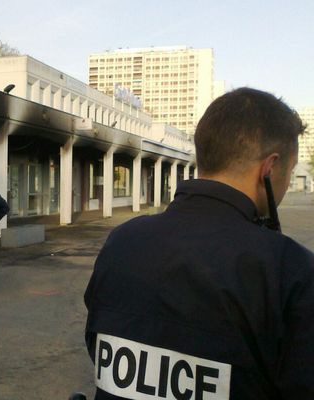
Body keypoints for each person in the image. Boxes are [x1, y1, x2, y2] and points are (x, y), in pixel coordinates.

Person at [84, 87, 314, 399]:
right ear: (270, 169)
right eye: (288, 172)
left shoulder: (122, 240)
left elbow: (98, 343)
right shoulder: (290, 269)